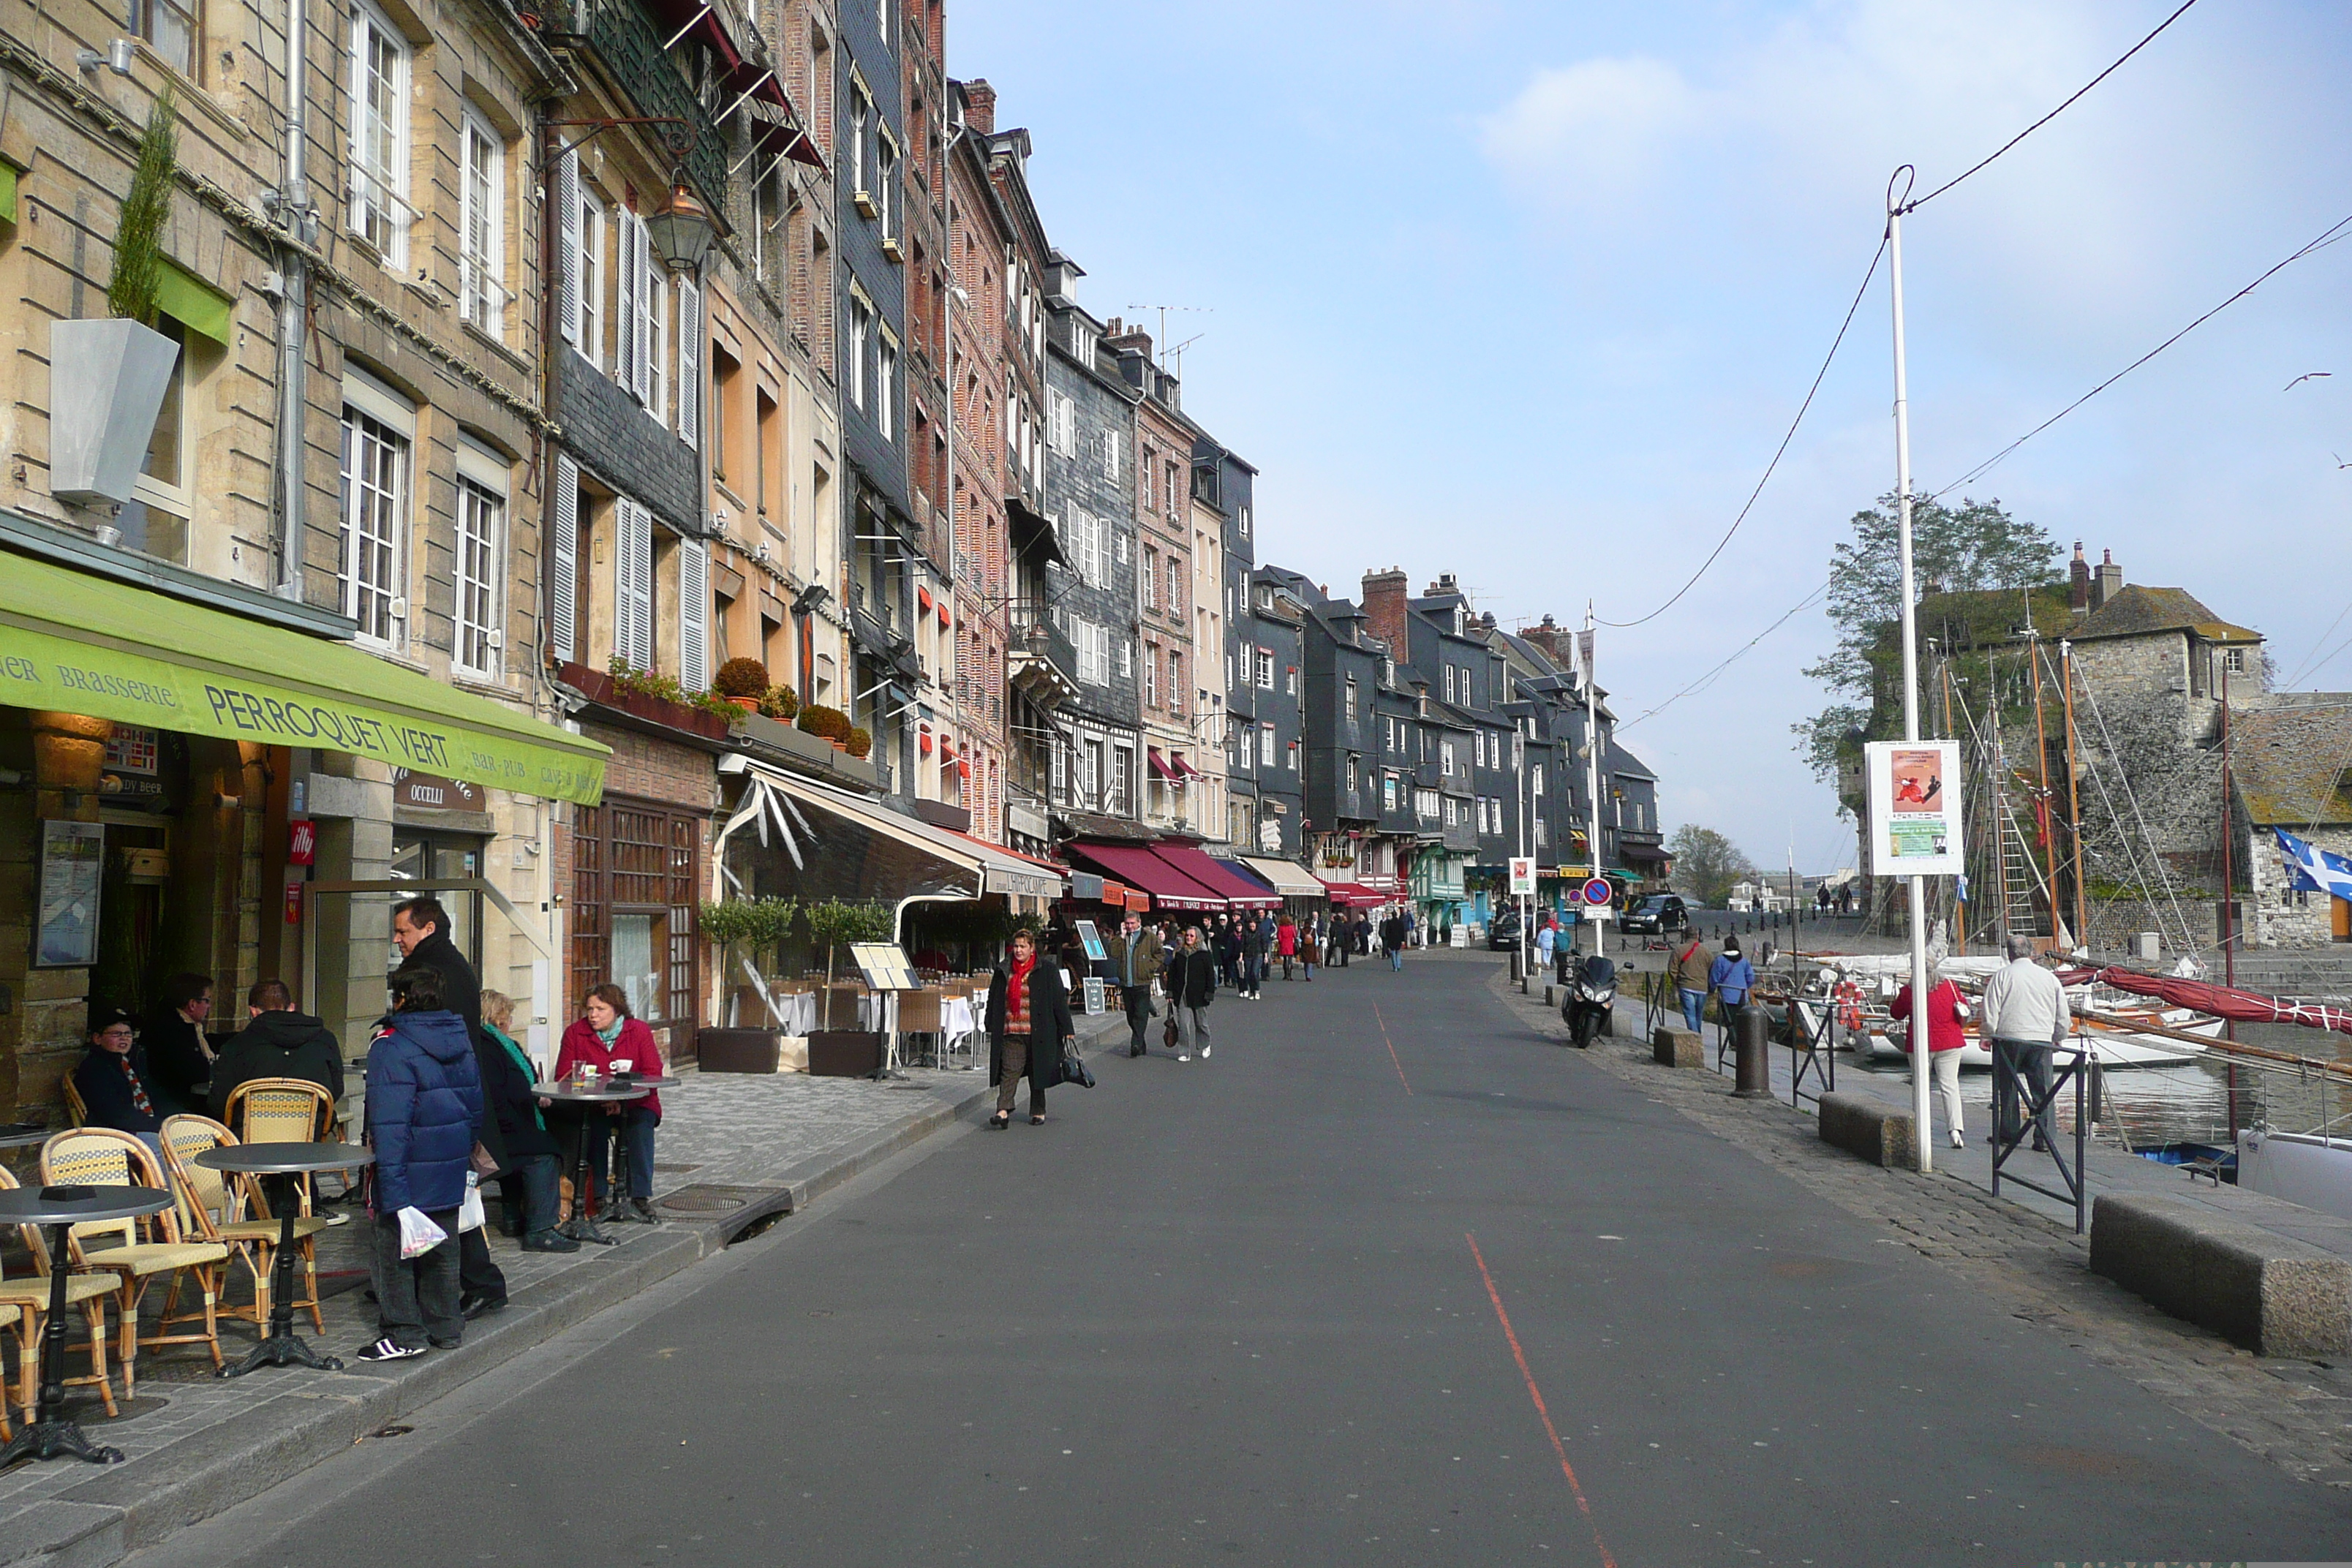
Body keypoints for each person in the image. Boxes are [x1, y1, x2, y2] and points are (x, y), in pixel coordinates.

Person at [359, 962, 483, 1362]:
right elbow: (475, 1105)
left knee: (393, 1253)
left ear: (400, 998)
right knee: (443, 1250)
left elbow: (389, 1124)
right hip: (448, 1158)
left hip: (408, 1164)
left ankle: (404, 1333)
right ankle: (446, 1328)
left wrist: (390, 1187)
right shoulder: (459, 1037)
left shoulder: (390, 1046)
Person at [554, 985, 666, 1223]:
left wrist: (622, 1098)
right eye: (590, 1009)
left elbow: (653, 1073)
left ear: (616, 1010)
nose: (593, 1014)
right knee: (594, 1129)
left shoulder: (638, 1031)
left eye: (600, 1009)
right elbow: (564, 1076)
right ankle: (600, 1197)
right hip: (595, 1104)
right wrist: (601, 1096)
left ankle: (640, 1196)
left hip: (636, 1102)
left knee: (639, 1126)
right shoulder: (576, 1033)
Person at [480, 990, 573, 1253]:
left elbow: (529, 1076)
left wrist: (538, 1097)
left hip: (517, 1118)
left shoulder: (506, 1045)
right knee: (543, 1152)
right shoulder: (487, 1047)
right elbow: (496, 1096)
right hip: (497, 1129)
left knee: (561, 1127)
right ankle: (540, 1228)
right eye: (507, 1016)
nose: (510, 1022)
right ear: (497, 1017)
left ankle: (514, 1217)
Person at [1979, 933, 2069, 1152]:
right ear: (2031, 951)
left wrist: (1987, 1035)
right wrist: (2058, 1036)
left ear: (2009, 954)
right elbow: (2063, 1014)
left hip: (2009, 1037)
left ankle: (2009, 1133)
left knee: (2008, 1087)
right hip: (2041, 1038)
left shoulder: (2002, 976)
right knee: (2044, 1090)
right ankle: (2044, 1137)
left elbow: (1991, 1010)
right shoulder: (2049, 978)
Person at [209, 980, 344, 1124]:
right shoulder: (325, 1039)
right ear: (291, 1007)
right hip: (310, 1134)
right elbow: (335, 1090)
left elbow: (220, 1103)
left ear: (253, 1011)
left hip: (252, 1137)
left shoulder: (236, 1046)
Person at [984, 930, 1071, 1126]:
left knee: (1037, 1072)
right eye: (1016, 946)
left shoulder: (1046, 970)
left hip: (1039, 1031)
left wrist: (1067, 1028)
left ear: (1032, 949)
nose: (1018, 950)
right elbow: (994, 997)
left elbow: (1058, 1000)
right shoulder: (1004, 970)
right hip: (1012, 1030)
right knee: (1009, 1071)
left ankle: (1038, 1110)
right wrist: (989, 1021)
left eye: (1023, 946)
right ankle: (1003, 1110)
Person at [72, 1007, 165, 1159]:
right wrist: (158, 1126)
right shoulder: (95, 1068)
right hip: (111, 1134)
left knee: (186, 1137)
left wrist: (172, 1122)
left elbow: (156, 1096)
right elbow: (117, 1115)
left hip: (136, 1127)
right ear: (97, 1038)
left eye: (128, 1034)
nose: (124, 1038)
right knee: (154, 1144)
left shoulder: (129, 1063)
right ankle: (163, 1184)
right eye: (116, 1034)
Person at [1893, 973, 1971, 1151]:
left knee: (1921, 1086)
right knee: (1950, 1086)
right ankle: (1955, 1131)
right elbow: (1963, 1006)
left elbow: (1896, 1014)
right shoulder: (1950, 985)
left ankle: (1921, 1129)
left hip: (1921, 1043)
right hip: (1950, 1041)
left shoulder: (1909, 991)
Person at [144, 971, 217, 1117]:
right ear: (192, 1004)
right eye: (207, 1000)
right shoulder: (172, 1031)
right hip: (176, 1105)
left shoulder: (187, 1026)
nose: (209, 1006)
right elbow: (196, 1073)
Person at [1104, 911, 1164, 1059]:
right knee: (1131, 1015)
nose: (1130, 926)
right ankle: (1141, 1042)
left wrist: (1149, 967)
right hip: (1126, 982)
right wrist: (1121, 936)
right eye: (1127, 923)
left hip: (1142, 981)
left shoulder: (1149, 937)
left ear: (1139, 922)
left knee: (1141, 1014)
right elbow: (1112, 953)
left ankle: (1135, 1043)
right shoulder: (1123, 938)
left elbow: (1160, 954)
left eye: (1132, 923)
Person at [1162, 924, 1218, 1063]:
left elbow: (1211, 975)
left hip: (1199, 994)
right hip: (1182, 995)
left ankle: (1205, 1044)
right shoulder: (1180, 954)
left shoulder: (1204, 954)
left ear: (1197, 937)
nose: (1189, 938)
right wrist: (1169, 992)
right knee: (1183, 1025)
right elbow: (1173, 974)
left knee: (1201, 1023)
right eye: (1187, 935)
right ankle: (1184, 1052)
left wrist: (1210, 992)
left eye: (1192, 936)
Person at [1671, 932, 1716, 1036]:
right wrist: (1709, 985)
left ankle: (1695, 1038)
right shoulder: (1706, 952)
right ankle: (1697, 1036)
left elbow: (1672, 969)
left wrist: (1677, 982)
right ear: (1698, 936)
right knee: (1698, 1016)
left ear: (1685, 936)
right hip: (1702, 988)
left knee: (1690, 1015)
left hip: (1686, 986)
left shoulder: (1679, 950)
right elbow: (1712, 970)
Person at [1239, 913, 1267, 1000]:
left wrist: (1266, 956)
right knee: (1248, 974)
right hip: (1247, 955)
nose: (1252, 928)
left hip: (1258, 954)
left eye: (1253, 926)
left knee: (1255, 973)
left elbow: (1264, 944)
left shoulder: (1260, 932)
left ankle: (1257, 990)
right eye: (1250, 926)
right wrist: (1241, 956)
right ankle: (1251, 992)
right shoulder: (1246, 933)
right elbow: (1242, 945)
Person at [1275, 915, 1298, 981]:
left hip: (1283, 944)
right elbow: (1295, 935)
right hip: (1290, 944)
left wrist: (1281, 942)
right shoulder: (1292, 927)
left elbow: (1279, 937)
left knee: (1285, 960)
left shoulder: (1280, 928)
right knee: (1290, 960)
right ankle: (1290, 975)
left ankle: (1285, 975)